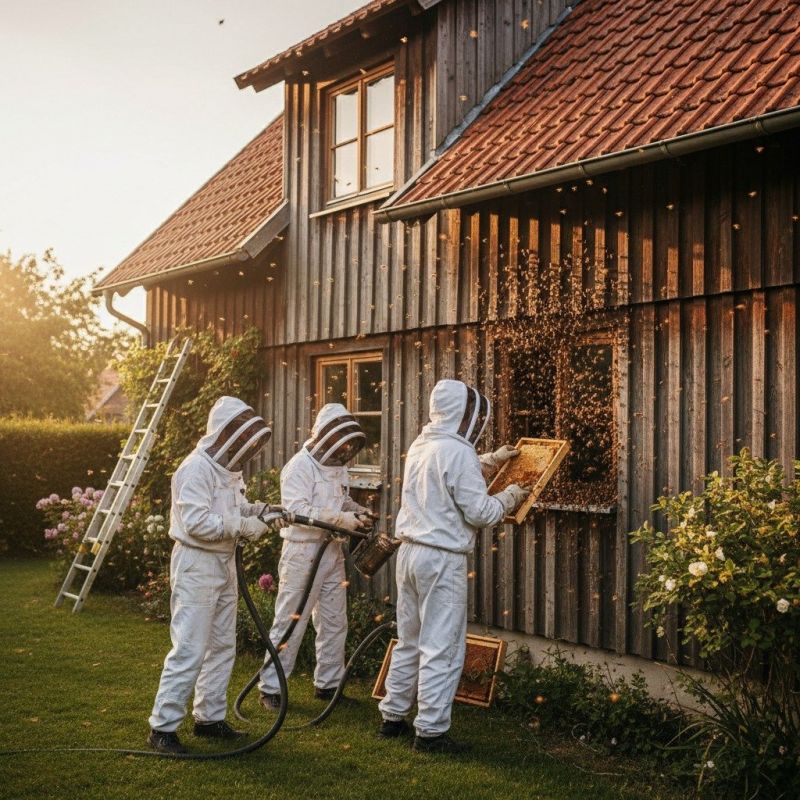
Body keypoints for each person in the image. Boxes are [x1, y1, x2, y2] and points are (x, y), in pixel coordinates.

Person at [377, 379, 530, 754]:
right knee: (440, 647)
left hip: (410, 553)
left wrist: (491, 460)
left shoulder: (422, 444)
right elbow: (479, 512)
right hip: (441, 559)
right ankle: (430, 732)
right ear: (464, 415)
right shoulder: (456, 453)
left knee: (409, 640)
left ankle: (392, 717)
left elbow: (444, 473)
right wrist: (510, 496)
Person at [148, 396, 285, 754]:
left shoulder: (227, 472)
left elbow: (234, 508)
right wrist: (243, 524)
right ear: (223, 433)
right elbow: (195, 522)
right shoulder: (194, 469)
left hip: (222, 563)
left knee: (223, 645)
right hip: (197, 564)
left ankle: (209, 718)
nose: (242, 447)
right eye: (238, 439)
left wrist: (263, 511)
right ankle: (162, 727)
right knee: (191, 647)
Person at [258, 403, 373, 709]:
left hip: (332, 551)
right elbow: (297, 511)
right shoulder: (298, 467)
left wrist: (357, 511)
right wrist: (341, 520)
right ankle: (271, 688)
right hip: (302, 553)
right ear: (324, 435)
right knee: (289, 621)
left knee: (335, 621)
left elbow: (342, 498)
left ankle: (328, 685)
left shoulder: (338, 465)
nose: (343, 450)